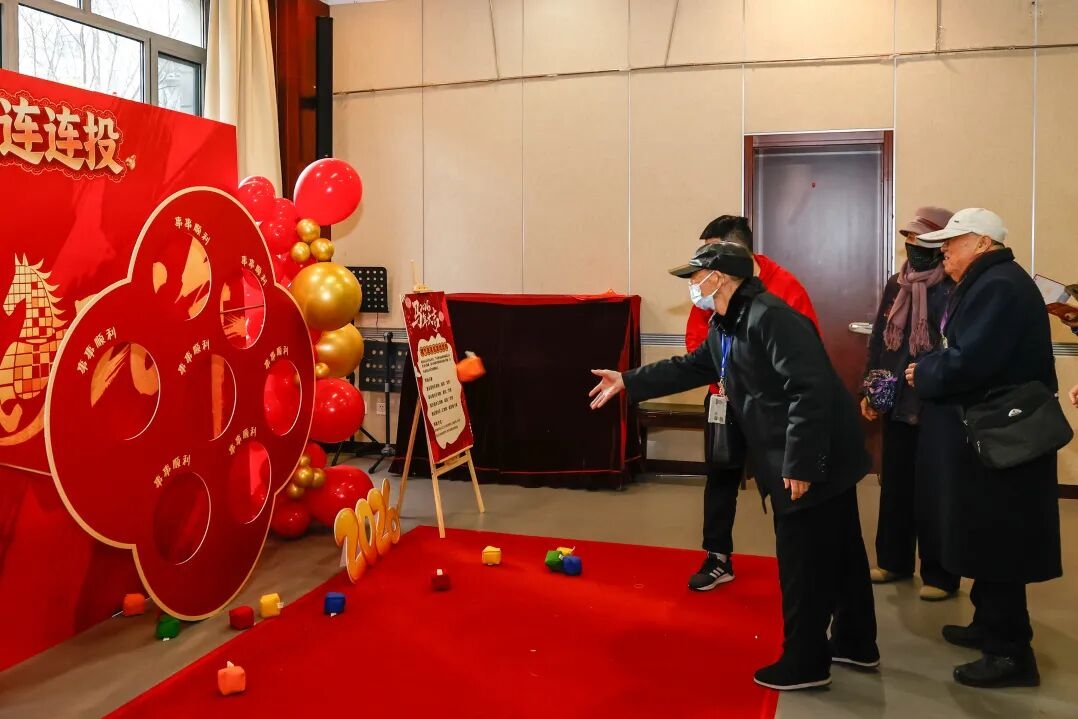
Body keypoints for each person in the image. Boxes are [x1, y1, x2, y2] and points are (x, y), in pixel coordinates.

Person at [590, 242, 877, 691]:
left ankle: (806, 662)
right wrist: (628, 380)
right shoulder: (727, 322)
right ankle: (856, 642)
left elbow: (810, 390)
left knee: (804, 561)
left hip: (810, 456)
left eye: (695, 277)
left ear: (720, 278)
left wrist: (801, 463)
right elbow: (692, 366)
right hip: (807, 453)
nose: (691, 286)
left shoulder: (771, 317)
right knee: (840, 551)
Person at [906, 208, 1061, 689]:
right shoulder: (991, 281)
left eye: (953, 243)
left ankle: (1010, 653)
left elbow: (972, 360)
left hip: (1003, 435)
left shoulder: (998, 286)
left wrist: (924, 372)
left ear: (983, 243)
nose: (944, 252)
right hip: (994, 430)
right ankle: (987, 624)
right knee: (986, 533)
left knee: (999, 541)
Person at [686, 216, 819, 592]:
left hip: (771, 408)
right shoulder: (710, 283)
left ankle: (795, 564)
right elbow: (696, 342)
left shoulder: (785, 288)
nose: (703, 263)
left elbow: (806, 356)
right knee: (720, 478)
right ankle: (717, 557)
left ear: (736, 252)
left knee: (783, 483)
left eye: (711, 252)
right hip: (723, 398)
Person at [861, 207, 959, 601]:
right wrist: (869, 389)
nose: (913, 246)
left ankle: (940, 575)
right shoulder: (896, 283)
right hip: (897, 397)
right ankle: (893, 561)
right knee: (896, 484)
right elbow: (878, 338)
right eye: (909, 238)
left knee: (936, 490)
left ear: (941, 242)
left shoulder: (954, 285)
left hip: (937, 400)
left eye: (921, 239)